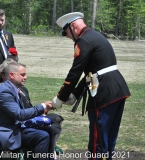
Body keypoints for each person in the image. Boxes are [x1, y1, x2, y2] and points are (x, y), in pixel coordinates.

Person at [52, 12, 131, 160]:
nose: (68, 36)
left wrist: (60, 97)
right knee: (108, 136)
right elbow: (93, 70)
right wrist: (76, 93)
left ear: (73, 26)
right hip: (116, 89)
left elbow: (75, 72)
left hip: (104, 92)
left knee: (98, 138)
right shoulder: (95, 36)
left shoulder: (83, 41)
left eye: (67, 32)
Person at [0, 62, 54, 160]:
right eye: (22, 75)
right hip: (10, 131)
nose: (26, 77)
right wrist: (43, 106)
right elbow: (20, 115)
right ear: (12, 75)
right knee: (42, 136)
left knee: (49, 129)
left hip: (16, 127)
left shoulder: (11, 88)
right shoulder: (4, 92)